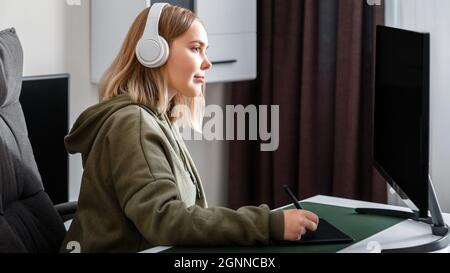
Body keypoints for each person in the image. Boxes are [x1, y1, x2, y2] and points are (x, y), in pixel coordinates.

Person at [60, 3, 319, 253]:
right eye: (196, 49)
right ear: (153, 51)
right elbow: (165, 220)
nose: (207, 63)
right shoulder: (133, 124)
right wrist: (267, 224)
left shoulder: (156, 119)